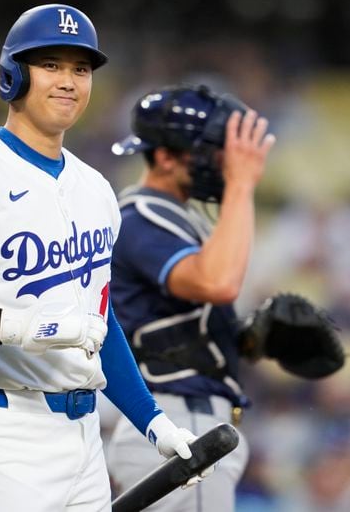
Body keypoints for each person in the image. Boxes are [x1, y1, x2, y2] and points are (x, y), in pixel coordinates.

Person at [0, 5, 211, 511]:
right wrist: (27, 326)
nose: (68, 81)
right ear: (13, 74)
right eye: (50, 64)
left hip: (82, 440)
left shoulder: (95, 188)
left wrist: (152, 423)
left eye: (80, 68)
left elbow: (99, 324)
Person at [106, 84, 276, 512]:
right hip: (181, 422)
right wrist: (241, 183)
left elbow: (185, 322)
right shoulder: (141, 215)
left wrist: (246, 339)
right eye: (211, 153)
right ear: (164, 156)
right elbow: (216, 282)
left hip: (181, 419)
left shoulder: (173, 217)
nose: (222, 164)